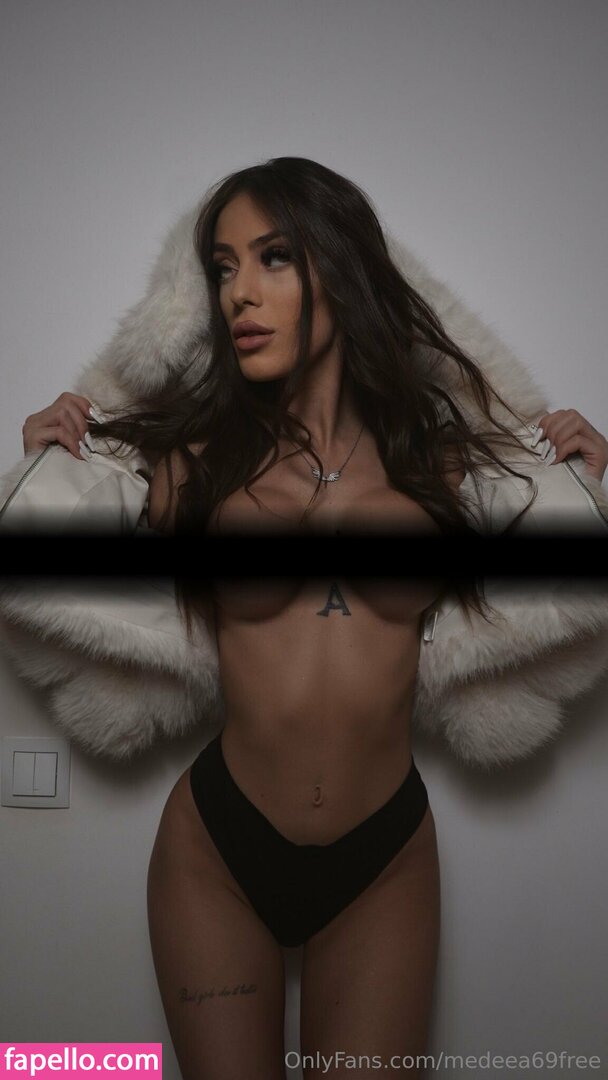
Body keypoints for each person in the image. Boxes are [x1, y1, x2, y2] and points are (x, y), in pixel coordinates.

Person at [7, 157, 608, 1080]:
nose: (239, 293)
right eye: (222, 268)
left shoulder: (443, 460)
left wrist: (590, 476)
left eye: (273, 257)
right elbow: (57, 547)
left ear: (340, 266)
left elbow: (565, 567)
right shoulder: (192, 462)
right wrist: (49, 459)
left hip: (384, 858)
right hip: (218, 848)